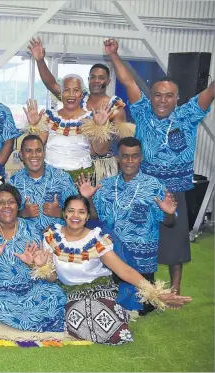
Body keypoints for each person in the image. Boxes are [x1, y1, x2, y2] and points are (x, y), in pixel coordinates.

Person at [104, 38, 214, 294]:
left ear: (177, 99)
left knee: (175, 242)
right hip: (143, 188)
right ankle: (133, 281)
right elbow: (129, 82)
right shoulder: (142, 112)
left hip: (174, 190)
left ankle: (175, 288)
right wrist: (114, 55)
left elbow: (210, 92)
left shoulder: (189, 115)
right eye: (157, 95)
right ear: (151, 97)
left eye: (169, 96)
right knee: (137, 236)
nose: (162, 100)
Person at [27, 195, 191, 344]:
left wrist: (156, 293)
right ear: (64, 214)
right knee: (77, 317)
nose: (76, 216)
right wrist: (41, 266)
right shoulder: (52, 237)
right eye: (71, 211)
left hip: (100, 288)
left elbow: (123, 271)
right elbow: (53, 277)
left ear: (87, 217)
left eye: (81, 212)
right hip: (71, 293)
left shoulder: (97, 239)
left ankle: (116, 325)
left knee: (104, 315)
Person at [79, 137, 178, 312]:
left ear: (141, 158)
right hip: (111, 261)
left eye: (135, 156)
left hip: (142, 264)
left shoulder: (154, 186)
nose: (130, 161)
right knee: (108, 307)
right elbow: (95, 219)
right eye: (125, 156)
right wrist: (88, 199)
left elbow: (170, 223)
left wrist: (168, 214)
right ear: (117, 157)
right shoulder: (106, 186)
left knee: (142, 309)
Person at [0, 184, 66, 331]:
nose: (6, 206)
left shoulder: (31, 229)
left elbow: (52, 278)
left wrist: (36, 265)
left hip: (31, 286)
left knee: (56, 293)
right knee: (1, 306)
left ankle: (39, 321)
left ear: (18, 206)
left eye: (11, 202)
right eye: (1, 202)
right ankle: (40, 323)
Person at [28, 37, 128, 182]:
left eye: (101, 78)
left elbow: (122, 141)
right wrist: (40, 60)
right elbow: (52, 84)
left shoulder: (114, 106)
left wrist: (100, 129)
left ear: (108, 81)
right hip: (57, 170)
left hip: (97, 165)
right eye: (93, 77)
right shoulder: (80, 99)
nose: (97, 81)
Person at [24, 76, 111, 181]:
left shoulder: (92, 118)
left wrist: (99, 127)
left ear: (81, 94)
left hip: (81, 178)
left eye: (76, 90)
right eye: (66, 90)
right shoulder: (48, 117)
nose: (71, 94)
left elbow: (101, 151)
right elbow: (33, 148)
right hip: (51, 177)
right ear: (61, 94)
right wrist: (34, 126)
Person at [10, 134, 77, 233]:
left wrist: (60, 213)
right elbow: (4, 215)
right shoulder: (14, 181)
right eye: (28, 151)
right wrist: (23, 213)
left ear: (44, 153)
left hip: (58, 240)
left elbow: (80, 211)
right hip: (26, 241)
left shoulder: (62, 178)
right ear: (21, 155)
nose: (34, 155)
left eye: (38, 150)